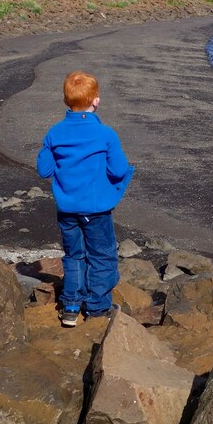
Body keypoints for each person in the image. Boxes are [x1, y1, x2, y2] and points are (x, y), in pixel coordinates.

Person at [37, 70, 135, 328]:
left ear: (66, 101)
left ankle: (71, 306)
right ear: (96, 101)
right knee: (102, 256)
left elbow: (44, 169)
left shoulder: (54, 133)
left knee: (74, 256)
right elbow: (119, 170)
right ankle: (98, 308)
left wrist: (52, 151)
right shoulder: (105, 134)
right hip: (96, 209)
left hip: (67, 208)